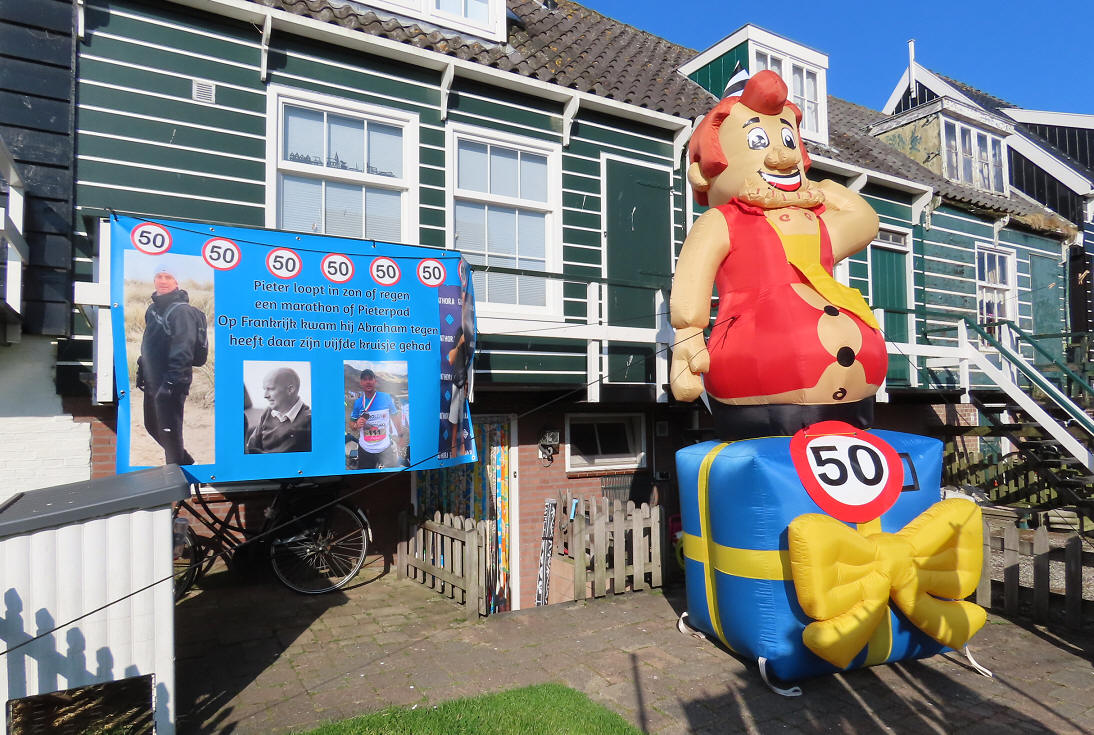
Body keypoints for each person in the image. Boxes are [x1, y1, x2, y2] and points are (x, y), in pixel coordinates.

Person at [669, 70, 886, 440]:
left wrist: (821, 189)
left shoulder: (816, 224)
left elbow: (864, 221)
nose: (783, 157)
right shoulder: (724, 222)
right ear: (705, 173)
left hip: (855, 393)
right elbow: (693, 281)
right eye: (757, 141)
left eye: (788, 141)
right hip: (758, 378)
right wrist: (688, 337)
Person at [137, 262, 202, 465]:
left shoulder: (182, 312)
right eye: (159, 276)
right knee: (152, 426)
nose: (163, 281)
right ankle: (188, 464)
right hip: (153, 379)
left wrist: (171, 384)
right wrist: (142, 368)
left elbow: (183, 351)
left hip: (172, 382)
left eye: (168, 277)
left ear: (177, 282)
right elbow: (149, 342)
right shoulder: (152, 309)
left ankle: (180, 478)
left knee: (169, 433)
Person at [446, 259, 476, 457]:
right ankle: (453, 447)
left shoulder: (470, 330)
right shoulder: (458, 332)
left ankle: (462, 446)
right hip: (456, 378)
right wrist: (459, 344)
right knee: (455, 416)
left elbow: (469, 358)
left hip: (465, 378)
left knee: (463, 415)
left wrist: (468, 380)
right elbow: (450, 359)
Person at [245, 367, 312, 454]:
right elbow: (252, 446)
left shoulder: (310, 421)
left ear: (290, 389)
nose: (265, 395)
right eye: (265, 389)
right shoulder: (268, 412)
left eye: (270, 389)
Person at [350, 369, 404, 469]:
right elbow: (352, 424)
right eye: (365, 379)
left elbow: (395, 418)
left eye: (370, 379)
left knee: (390, 475)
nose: (368, 382)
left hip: (385, 449)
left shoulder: (386, 398)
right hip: (365, 450)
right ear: (361, 382)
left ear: (375, 381)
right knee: (366, 476)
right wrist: (356, 425)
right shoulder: (358, 402)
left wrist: (401, 436)